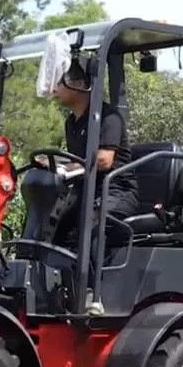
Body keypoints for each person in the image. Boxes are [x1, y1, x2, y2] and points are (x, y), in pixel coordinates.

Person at [49, 58, 139, 250]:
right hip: (87, 192)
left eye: (59, 82)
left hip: (116, 191)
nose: (54, 89)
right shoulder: (71, 123)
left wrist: (65, 167)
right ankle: (50, 272)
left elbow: (103, 161)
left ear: (80, 84)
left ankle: (88, 279)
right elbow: (77, 162)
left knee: (92, 219)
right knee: (52, 220)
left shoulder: (108, 117)